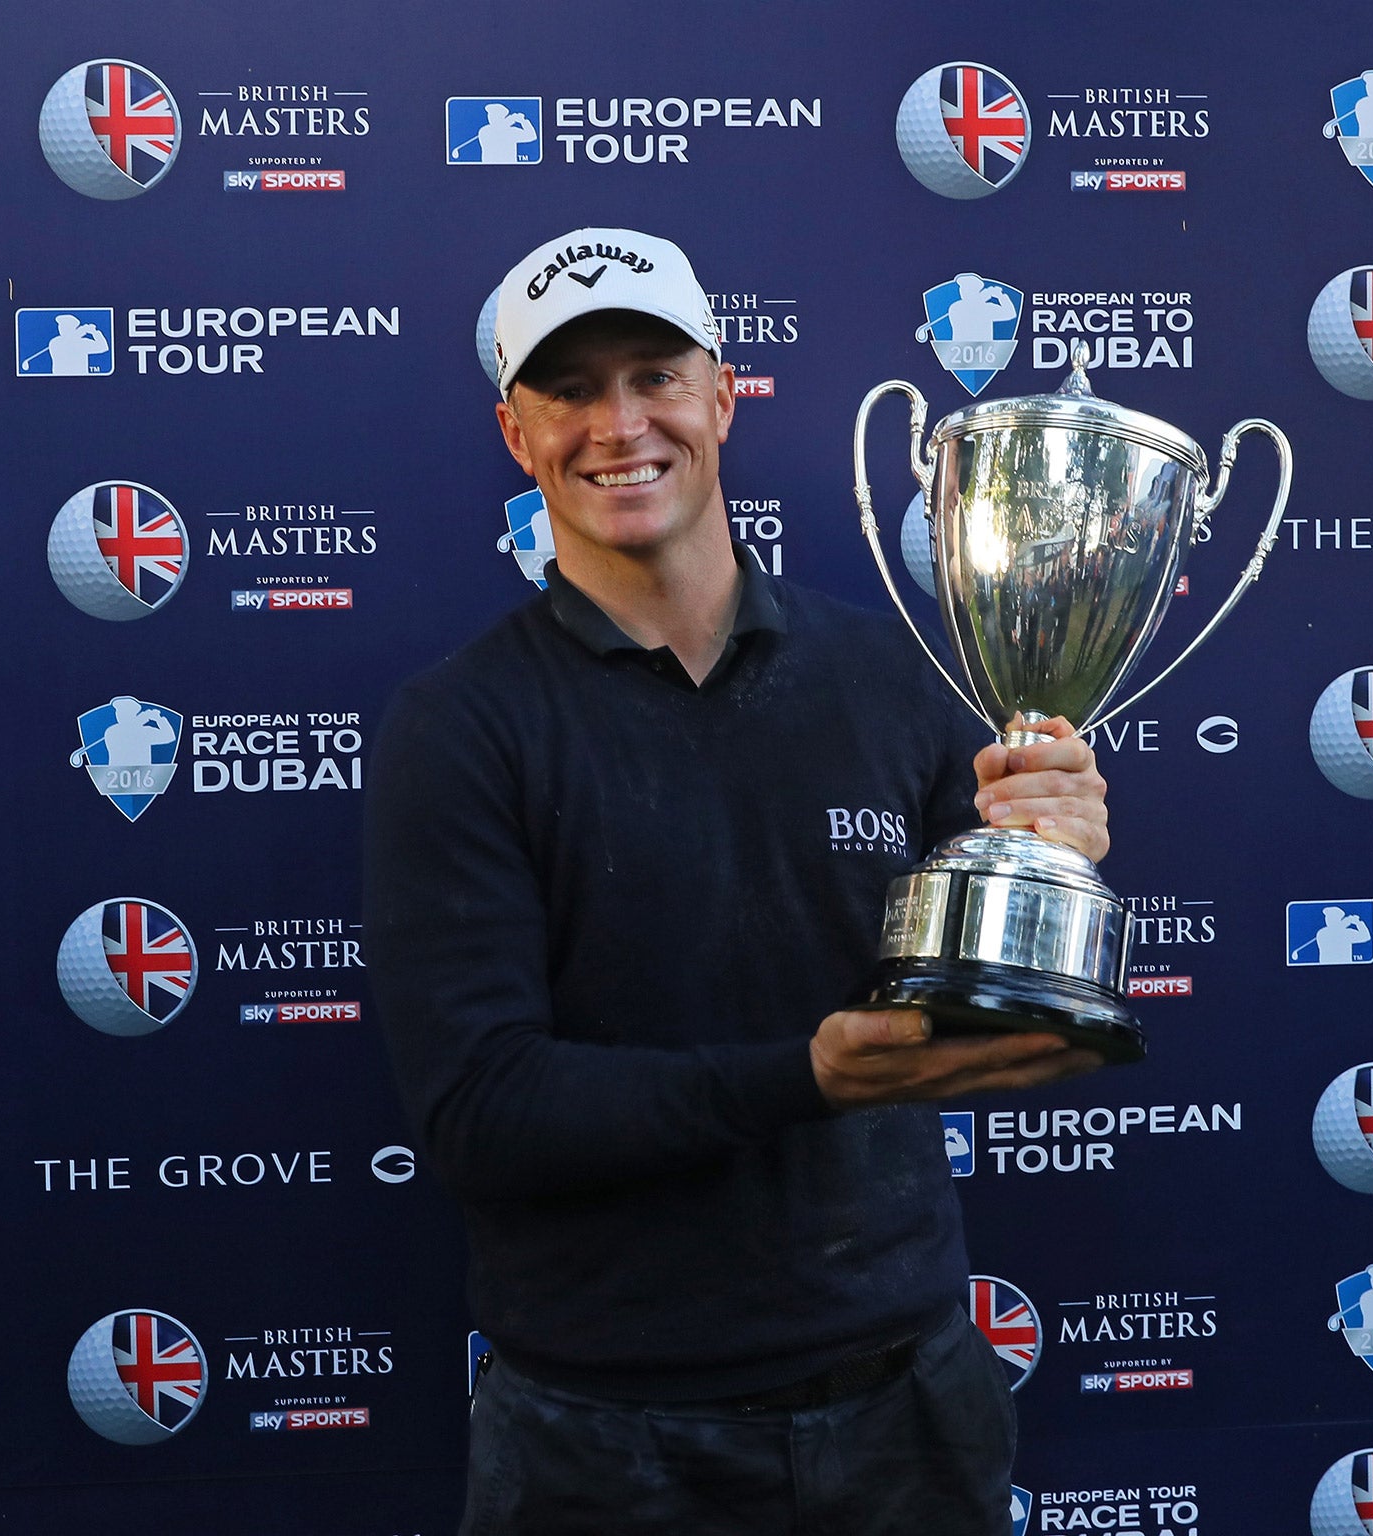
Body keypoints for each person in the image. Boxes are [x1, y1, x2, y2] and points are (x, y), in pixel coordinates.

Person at [365, 227, 1112, 1535]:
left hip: (910, 1407)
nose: (619, 423)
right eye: (571, 390)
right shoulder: (462, 727)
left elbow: (993, 1002)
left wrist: (1047, 863)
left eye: (654, 375)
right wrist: (805, 1077)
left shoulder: (894, 675)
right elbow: (481, 1110)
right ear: (515, 434)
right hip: (605, 1445)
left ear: (723, 392)